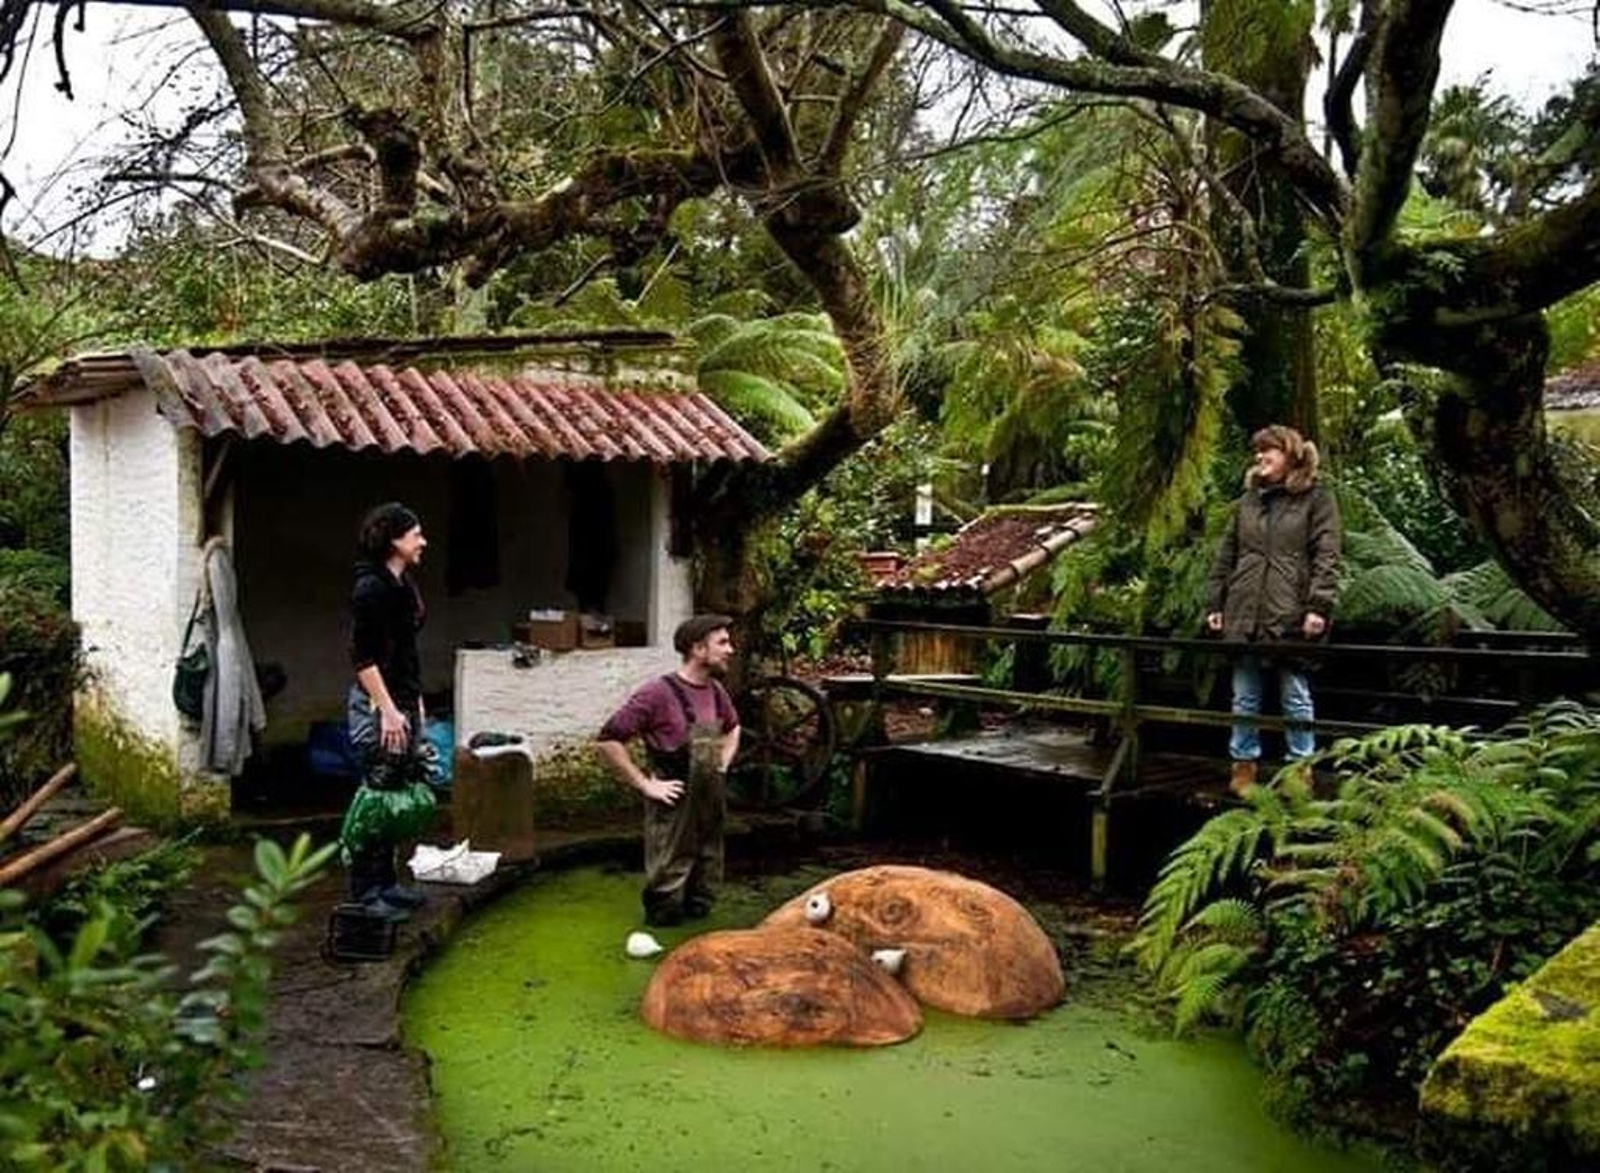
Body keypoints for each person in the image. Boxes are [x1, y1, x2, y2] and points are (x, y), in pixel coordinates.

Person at [1205, 425, 1341, 795]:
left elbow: (1327, 555)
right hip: (1245, 607)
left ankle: (1300, 769)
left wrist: (1318, 605)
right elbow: (1226, 553)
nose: (1260, 457)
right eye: (1258, 451)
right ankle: (1243, 765)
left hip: (1290, 610)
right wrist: (1216, 601)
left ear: (1291, 455)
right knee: (1244, 695)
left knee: (1294, 695)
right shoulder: (1249, 500)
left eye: (1269, 451)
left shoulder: (1317, 498)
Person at [596, 615, 742, 926]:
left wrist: (723, 763)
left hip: (709, 793)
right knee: (671, 860)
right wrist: (645, 784)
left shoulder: (716, 691)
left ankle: (701, 902)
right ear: (698, 649)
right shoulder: (657, 693)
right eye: (723, 643)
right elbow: (609, 740)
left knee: (709, 853)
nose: (731, 649)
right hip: (673, 798)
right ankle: (664, 911)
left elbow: (733, 727)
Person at [346, 502, 431, 915]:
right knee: (376, 797)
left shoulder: (403, 586)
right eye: (416, 535)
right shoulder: (371, 588)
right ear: (395, 540)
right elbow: (363, 658)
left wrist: (415, 702)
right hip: (378, 705)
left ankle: (387, 883)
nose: (422, 542)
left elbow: (405, 653)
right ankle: (365, 892)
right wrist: (388, 710)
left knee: (396, 795)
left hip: (402, 700)